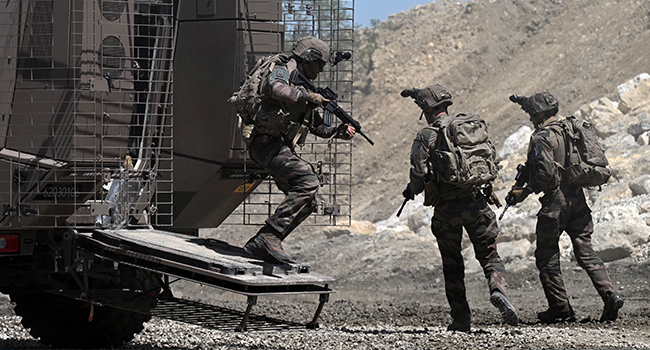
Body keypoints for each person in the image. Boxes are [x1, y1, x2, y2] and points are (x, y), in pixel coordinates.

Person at [403, 84, 518, 332]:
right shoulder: (469, 128)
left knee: (452, 264)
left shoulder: (426, 136)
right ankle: (498, 289)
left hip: (447, 209)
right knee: (489, 254)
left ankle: (461, 319)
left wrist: (411, 190)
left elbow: (418, 173)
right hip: (477, 202)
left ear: (426, 109)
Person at [507, 92, 624, 323]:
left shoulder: (542, 137)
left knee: (546, 255)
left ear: (540, 113)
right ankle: (610, 294)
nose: (530, 118)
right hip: (578, 200)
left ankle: (560, 308)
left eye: (532, 114)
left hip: (555, 204)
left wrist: (526, 190)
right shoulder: (569, 130)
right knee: (586, 251)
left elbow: (546, 176)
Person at [242, 36, 355, 264]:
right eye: (319, 65)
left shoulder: (303, 86)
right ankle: (270, 236)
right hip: (264, 143)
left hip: (278, 146)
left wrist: (337, 131)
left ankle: (263, 242)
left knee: (308, 202)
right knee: (308, 181)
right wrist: (310, 96)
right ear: (308, 58)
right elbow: (275, 89)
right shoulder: (282, 68)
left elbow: (316, 126)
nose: (320, 70)